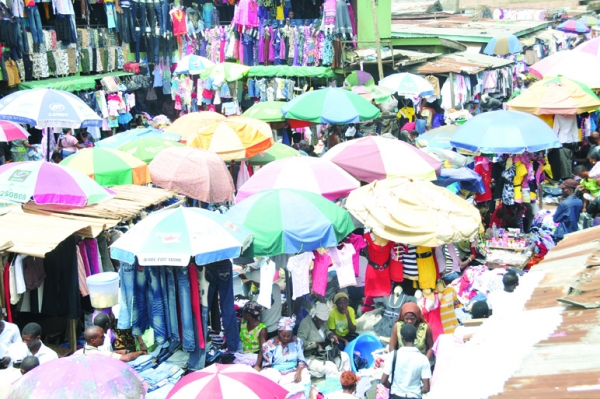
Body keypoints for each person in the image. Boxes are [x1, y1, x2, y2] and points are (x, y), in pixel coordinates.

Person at [297, 302, 351, 379]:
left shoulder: (321, 322)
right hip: (310, 357)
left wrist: (331, 335)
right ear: (314, 316)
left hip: (324, 353)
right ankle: (335, 387)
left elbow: (326, 330)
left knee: (345, 357)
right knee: (331, 368)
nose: (322, 323)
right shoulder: (306, 323)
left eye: (324, 321)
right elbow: (300, 342)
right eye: (320, 320)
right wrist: (315, 344)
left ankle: (345, 381)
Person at [256, 317, 311, 390]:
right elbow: (267, 366)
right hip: (275, 371)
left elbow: (301, 360)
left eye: (289, 335)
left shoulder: (297, 341)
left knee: (305, 377)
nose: (286, 338)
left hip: (294, 370)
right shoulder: (269, 345)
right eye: (283, 335)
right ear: (279, 332)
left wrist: (298, 372)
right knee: (268, 380)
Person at [382, 324, 431, 399]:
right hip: (414, 396)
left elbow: (383, 380)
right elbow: (426, 388)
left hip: (396, 395)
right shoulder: (423, 359)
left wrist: (392, 387)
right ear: (415, 337)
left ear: (402, 338)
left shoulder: (393, 355)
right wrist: (417, 391)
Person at [73, 326, 147, 362]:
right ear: (93, 341)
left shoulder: (77, 353)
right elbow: (126, 358)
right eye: (101, 337)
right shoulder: (100, 354)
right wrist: (140, 352)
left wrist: (117, 352)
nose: (104, 338)